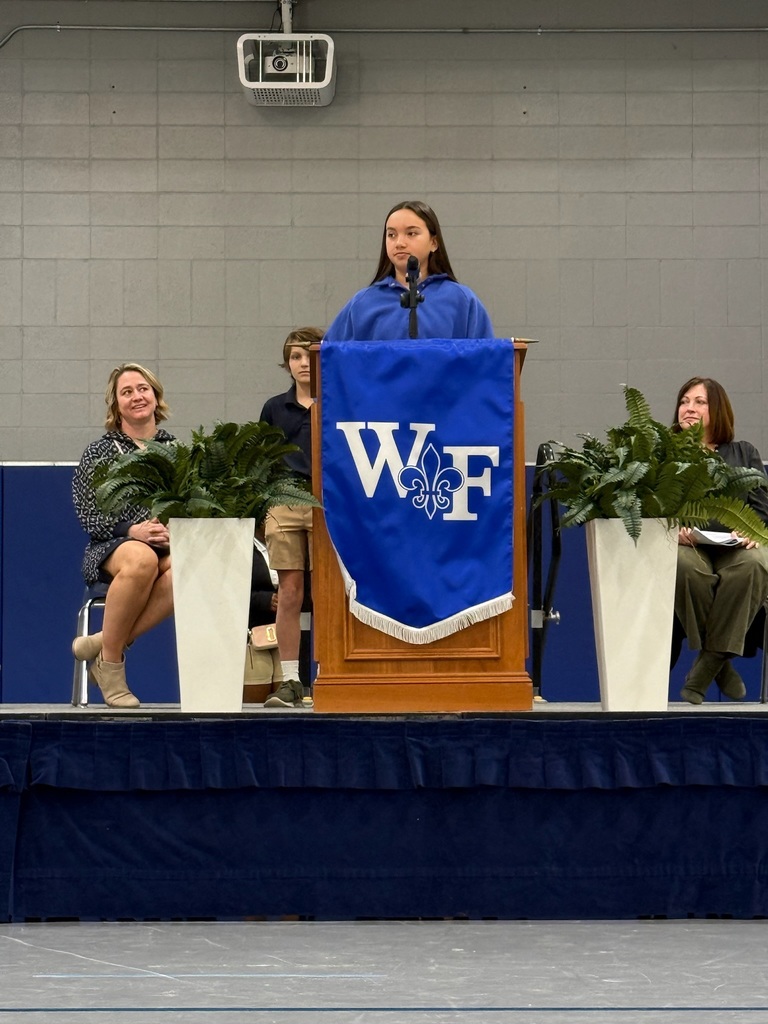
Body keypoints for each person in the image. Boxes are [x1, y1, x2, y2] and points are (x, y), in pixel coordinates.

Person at [72, 363, 175, 708]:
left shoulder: (176, 450)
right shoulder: (98, 452)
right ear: (116, 405)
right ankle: (112, 667)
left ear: (155, 395)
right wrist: (132, 530)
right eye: (126, 392)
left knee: (186, 572)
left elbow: (193, 503)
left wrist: (172, 531)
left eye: (142, 389)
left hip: (166, 547)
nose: (136, 397)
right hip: (110, 546)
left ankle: (103, 642)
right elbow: (88, 513)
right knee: (141, 556)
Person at [672, 376, 768, 704]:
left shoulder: (744, 453)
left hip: (735, 546)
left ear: (718, 409)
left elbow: (763, 510)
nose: (690, 408)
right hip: (688, 545)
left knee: (755, 564)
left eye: (700, 402)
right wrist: (673, 530)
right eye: (685, 401)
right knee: (685, 568)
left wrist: (753, 530)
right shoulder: (663, 453)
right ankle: (720, 666)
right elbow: (648, 508)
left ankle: (708, 663)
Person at [259, 326, 324, 708]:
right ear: (287, 363)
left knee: (330, 593)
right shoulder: (274, 408)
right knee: (290, 593)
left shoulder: (338, 403)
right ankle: (290, 681)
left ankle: (329, 675)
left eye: (309, 355)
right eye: (295, 357)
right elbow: (261, 459)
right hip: (284, 501)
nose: (303, 363)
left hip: (328, 501)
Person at [324, 200, 494, 342]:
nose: (399, 243)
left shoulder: (461, 300)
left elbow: (485, 361)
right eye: (391, 235)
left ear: (434, 243)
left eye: (411, 233)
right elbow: (330, 358)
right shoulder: (363, 303)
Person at [243, 526, 283, 703]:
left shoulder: (288, 545)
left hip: (284, 634)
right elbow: (225, 591)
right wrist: (264, 600)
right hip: (252, 633)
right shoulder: (241, 546)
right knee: (258, 678)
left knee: (285, 692)